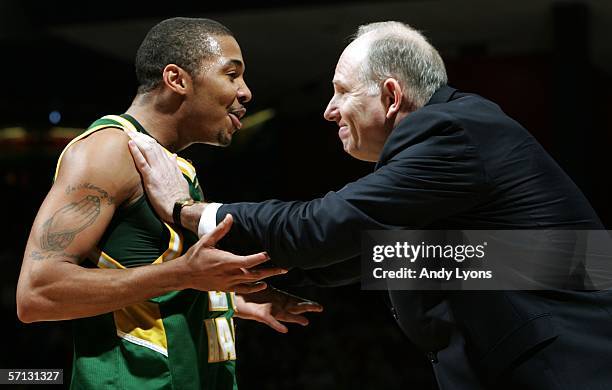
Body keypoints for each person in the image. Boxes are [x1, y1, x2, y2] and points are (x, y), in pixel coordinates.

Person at [128, 21, 612, 389]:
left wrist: (185, 210)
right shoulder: (457, 137)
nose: (329, 110)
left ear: (391, 94)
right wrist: (257, 278)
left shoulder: (452, 132)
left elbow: (323, 226)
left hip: (567, 365)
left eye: (340, 92)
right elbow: (387, 256)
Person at [16, 17, 322, 390]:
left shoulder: (171, 166)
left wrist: (227, 300)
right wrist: (185, 275)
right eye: (231, 74)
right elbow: (36, 294)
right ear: (177, 80)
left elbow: (151, 283)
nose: (246, 92)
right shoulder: (109, 150)